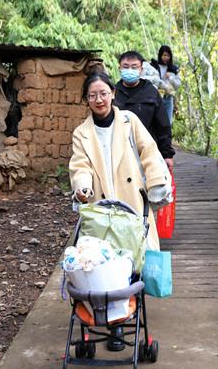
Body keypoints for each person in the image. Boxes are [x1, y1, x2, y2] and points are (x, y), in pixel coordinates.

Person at [69, 71, 172, 351]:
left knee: (128, 269)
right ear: (86, 100)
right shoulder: (82, 133)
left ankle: (118, 326)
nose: (99, 99)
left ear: (113, 93)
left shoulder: (130, 122)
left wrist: (157, 184)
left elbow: (149, 152)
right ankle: (106, 320)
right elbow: (80, 167)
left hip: (131, 206)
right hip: (101, 212)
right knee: (103, 269)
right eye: (92, 95)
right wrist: (83, 188)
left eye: (103, 93)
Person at [113, 51, 175, 172]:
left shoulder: (151, 92)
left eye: (134, 67)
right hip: (120, 154)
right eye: (126, 66)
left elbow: (163, 125)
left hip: (148, 152)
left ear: (141, 69)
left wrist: (167, 154)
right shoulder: (113, 93)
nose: (130, 70)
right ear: (119, 68)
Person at [150, 45, 181, 125]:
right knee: (155, 120)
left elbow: (177, 85)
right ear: (160, 55)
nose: (166, 58)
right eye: (164, 55)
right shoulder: (153, 66)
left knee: (168, 121)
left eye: (168, 55)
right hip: (155, 96)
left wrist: (170, 76)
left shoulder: (174, 69)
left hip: (168, 97)